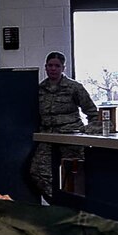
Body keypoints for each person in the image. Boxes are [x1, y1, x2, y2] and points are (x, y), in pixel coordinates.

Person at [29, 51, 101, 202]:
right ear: (45, 67)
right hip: (48, 137)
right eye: (50, 65)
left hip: (71, 137)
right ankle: (59, 205)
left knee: (77, 176)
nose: (53, 69)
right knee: (38, 172)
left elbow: (94, 115)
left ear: (63, 68)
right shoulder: (39, 89)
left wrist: (85, 132)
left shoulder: (74, 88)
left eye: (57, 66)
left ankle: (78, 208)